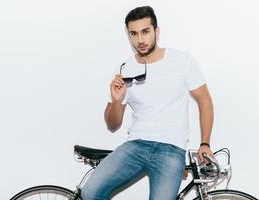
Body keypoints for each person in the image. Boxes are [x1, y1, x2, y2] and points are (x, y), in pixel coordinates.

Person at [81, 5, 214, 200]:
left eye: (145, 32)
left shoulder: (182, 61)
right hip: (136, 144)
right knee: (90, 192)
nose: (140, 40)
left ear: (156, 31)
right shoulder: (124, 69)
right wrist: (116, 101)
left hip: (171, 148)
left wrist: (205, 143)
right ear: (128, 36)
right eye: (133, 34)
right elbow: (112, 125)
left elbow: (205, 102)